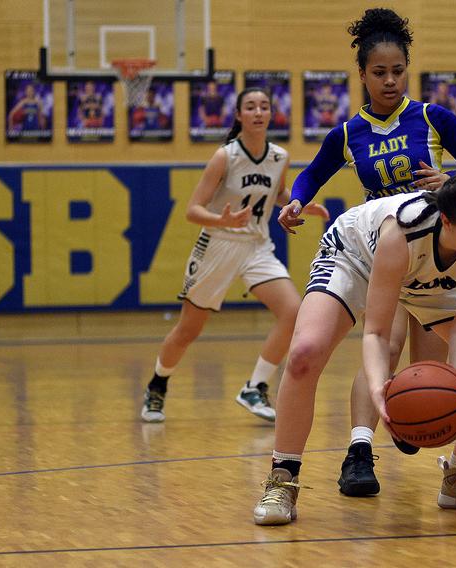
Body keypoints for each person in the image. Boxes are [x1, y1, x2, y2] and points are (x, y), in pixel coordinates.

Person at [277, 7, 456, 498]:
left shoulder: (433, 117)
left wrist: (452, 179)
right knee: (385, 345)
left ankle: (419, 422)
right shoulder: (349, 133)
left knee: (429, 373)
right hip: (385, 248)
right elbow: (313, 173)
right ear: (362, 75)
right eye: (380, 72)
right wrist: (296, 199)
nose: (390, 80)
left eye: (398, 71)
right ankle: (358, 450)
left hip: (436, 247)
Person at [253, 171, 456, 525]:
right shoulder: (402, 232)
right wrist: (380, 388)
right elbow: (377, 333)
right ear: (447, 221)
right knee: (305, 353)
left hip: (429, 281)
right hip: (356, 256)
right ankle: (283, 479)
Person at [139, 87, 328, 423]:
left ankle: (255, 386)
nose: (258, 112)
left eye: (264, 106)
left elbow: (278, 191)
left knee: (294, 312)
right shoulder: (225, 156)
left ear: (271, 114)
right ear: (239, 115)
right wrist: (220, 219)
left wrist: (299, 203)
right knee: (188, 330)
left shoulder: (279, 156)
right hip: (218, 244)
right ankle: (157, 384)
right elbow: (192, 210)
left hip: (256, 245)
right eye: (251, 107)